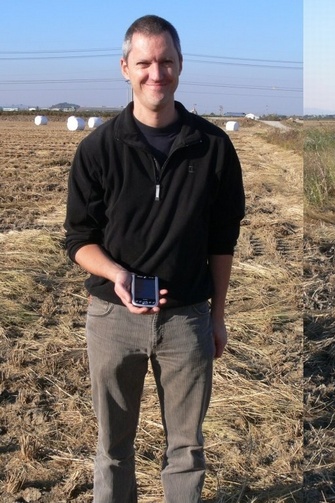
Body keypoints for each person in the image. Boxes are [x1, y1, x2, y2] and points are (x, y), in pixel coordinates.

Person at [64, 15, 245, 502]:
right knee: (113, 448)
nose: (155, 73)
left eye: (166, 61)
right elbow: (78, 239)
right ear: (125, 67)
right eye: (144, 62)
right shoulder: (97, 149)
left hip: (187, 318)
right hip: (112, 317)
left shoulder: (214, 148)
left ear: (181, 66)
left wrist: (218, 316)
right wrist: (118, 275)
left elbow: (222, 241)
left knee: (186, 449)